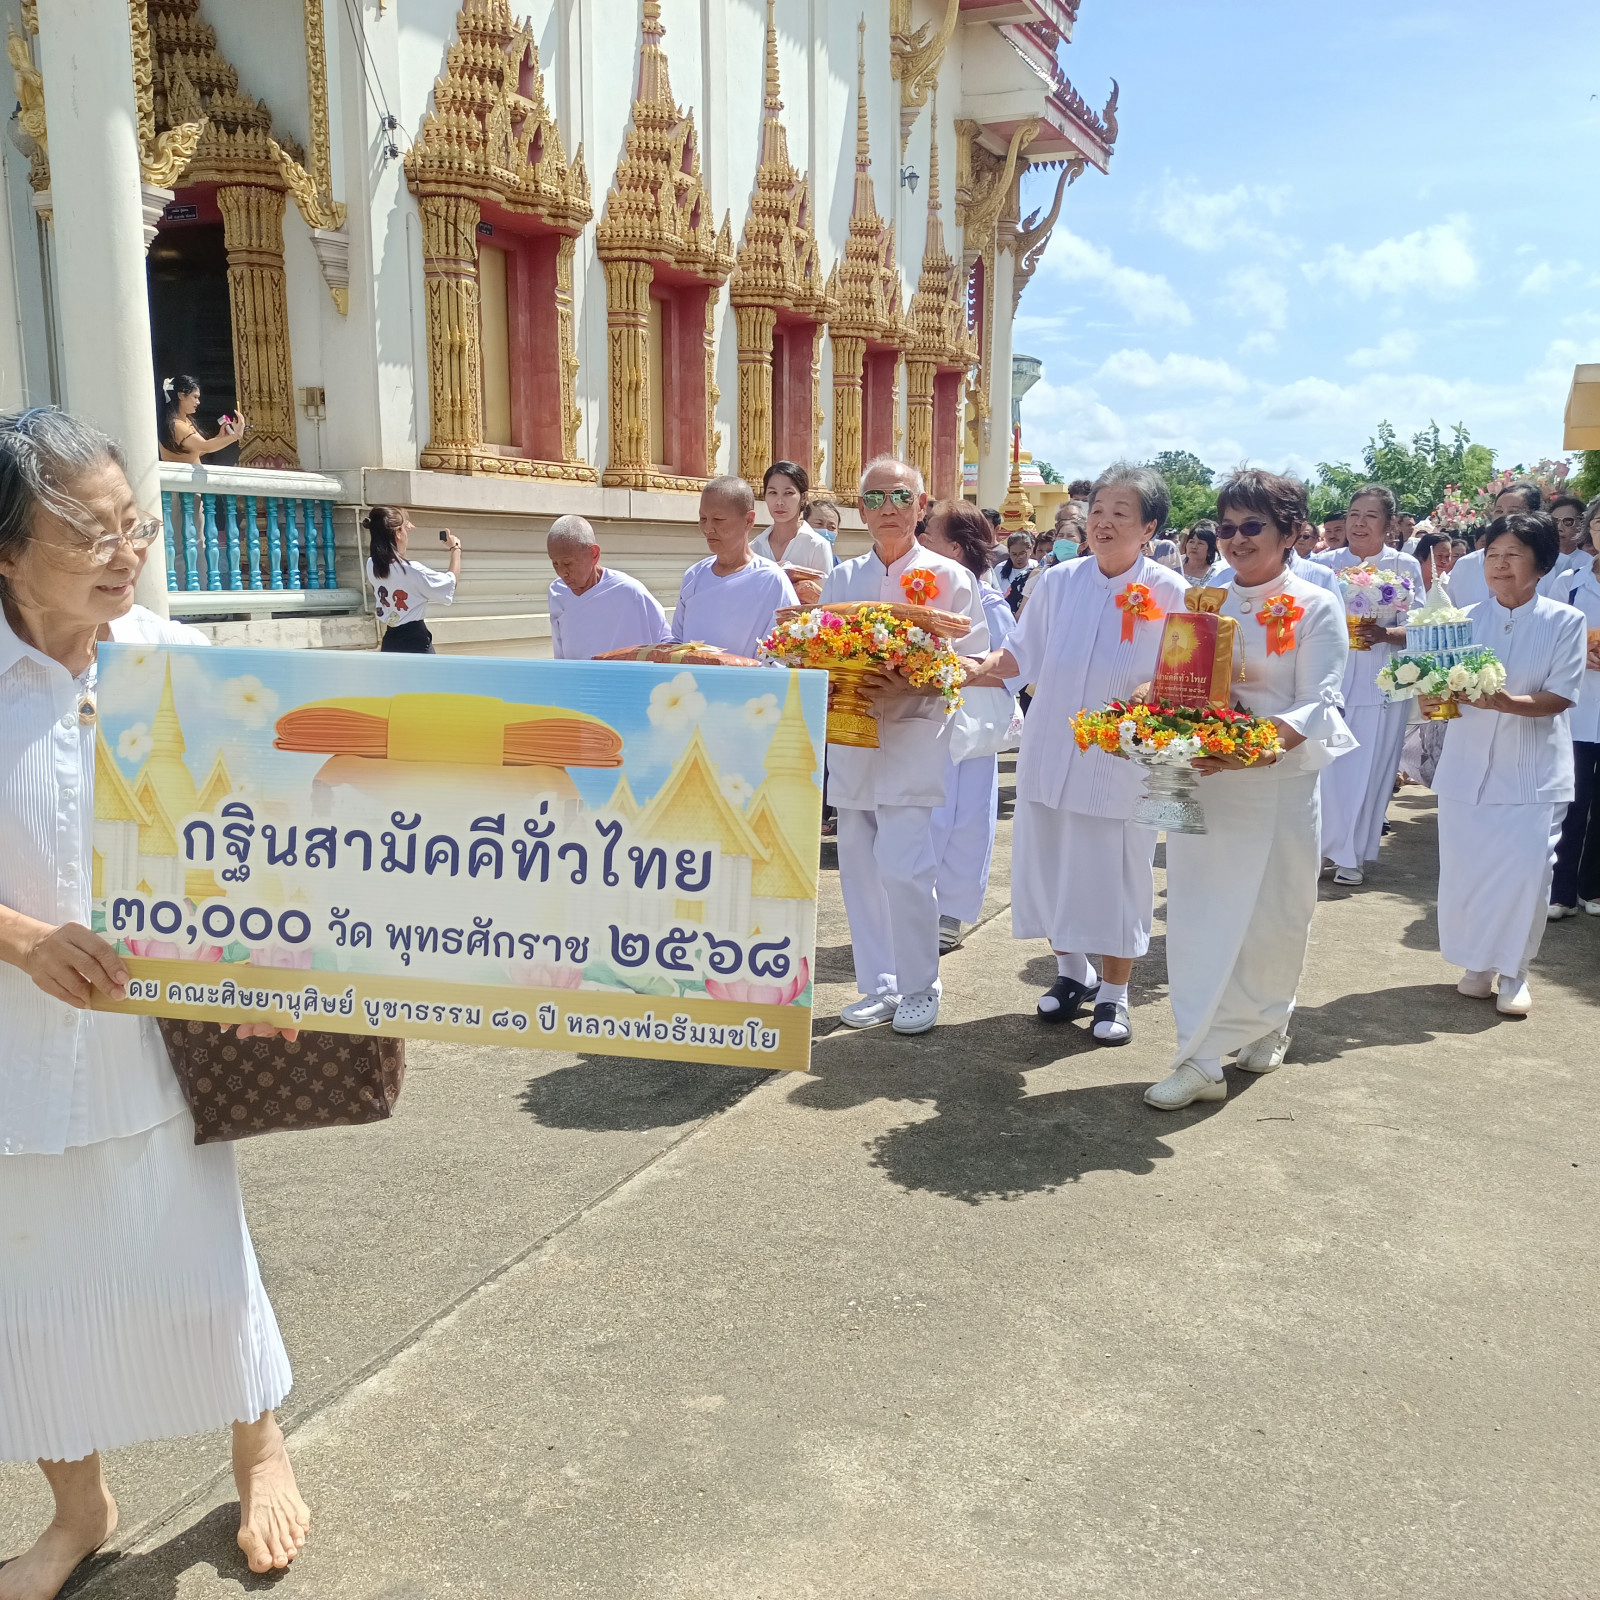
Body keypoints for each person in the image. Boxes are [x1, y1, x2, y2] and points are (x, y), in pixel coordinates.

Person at [0, 407, 308, 1591]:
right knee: (28, 1294)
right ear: (7, 555)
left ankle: (259, 1449)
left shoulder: (182, 669)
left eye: (136, 525)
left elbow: (277, 839)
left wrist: (277, 967)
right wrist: (25, 940)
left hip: (165, 1048)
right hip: (21, 1051)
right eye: (90, 532)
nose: (126, 552)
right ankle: (78, 1511)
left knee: (201, 1263)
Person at [1145, 470, 1355, 1109]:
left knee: (1275, 917)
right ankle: (1200, 1057)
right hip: (1198, 781)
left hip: (1276, 784)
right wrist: (1146, 713)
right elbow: (1175, 684)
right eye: (1227, 527)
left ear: (1291, 532)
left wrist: (1241, 750)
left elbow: (1319, 705)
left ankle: (1270, 1018)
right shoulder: (1203, 601)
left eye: (1252, 526)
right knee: (1197, 915)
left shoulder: (1317, 605)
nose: (1235, 540)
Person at [962, 465, 1187, 1043]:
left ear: (1149, 527)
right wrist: (957, 671)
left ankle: (1115, 993)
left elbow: (1186, 674)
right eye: (1098, 511)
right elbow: (1019, 655)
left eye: (1121, 513)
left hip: (1120, 762)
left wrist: (1151, 690)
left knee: (1116, 877)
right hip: (1051, 749)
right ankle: (1072, 974)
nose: (1104, 523)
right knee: (1051, 869)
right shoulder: (1059, 582)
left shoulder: (1170, 591)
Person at [821, 456, 987, 1036]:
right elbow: (820, 651)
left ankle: (920, 985)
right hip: (852, 733)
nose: (886, 509)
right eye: (873, 499)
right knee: (859, 867)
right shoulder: (840, 579)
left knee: (906, 867)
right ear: (858, 509)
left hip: (915, 731)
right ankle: (879, 985)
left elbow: (971, 661)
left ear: (921, 507)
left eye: (898, 498)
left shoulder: (950, 578)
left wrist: (915, 676)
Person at [1427, 512, 1586, 1014]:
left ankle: (1515, 970)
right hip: (1466, 770)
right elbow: (1436, 695)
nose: (1500, 565)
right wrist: (1433, 697)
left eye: (1513, 555)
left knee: (1525, 872)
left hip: (1531, 773)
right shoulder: (1461, 620)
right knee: (1468, 871)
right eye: (1493, 555)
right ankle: (1477, 964)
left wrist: (1504, 702)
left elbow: (1560, 696)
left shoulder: (1566, 621)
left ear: (1540, 564)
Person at [919, 501, 1018, 953]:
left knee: (967, 822)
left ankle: (952, 914)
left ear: (955, 550)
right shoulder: (921, 593)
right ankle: (919, 906)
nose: (921, 541)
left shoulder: (989, 602)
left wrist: (965, 669)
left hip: (971, 727)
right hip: (925, 724)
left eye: (931, 535)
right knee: (925, 818)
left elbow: (1018, 668)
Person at [1315, 484, 1425, 887]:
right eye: (1353, 514)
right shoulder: (1325, 564)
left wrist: (1385, 633)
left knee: (1370, 765)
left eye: (1371, 516)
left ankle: (1352, 853)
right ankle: (1319, 848)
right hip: (1336, 676)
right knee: (1328, 765)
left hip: (1383, 679)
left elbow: (1419, 623)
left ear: (1389, 524)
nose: (1359, 524)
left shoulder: (1404, 567)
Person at [671, 477, 798, 658]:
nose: (708, 528)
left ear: (748, 520)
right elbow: (676, 642)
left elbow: (785, 655)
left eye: (718, 519)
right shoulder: (694, 576)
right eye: (703, 519)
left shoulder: (771, 580)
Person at [1548, 518, 1599, 918]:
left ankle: (1592, 888)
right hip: (1578, 707)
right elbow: (1551, 635)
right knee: (1573, 800)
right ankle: (1561, 891)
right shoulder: (1570, 580)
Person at [546, 514, 669, 659]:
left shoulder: (631, 593)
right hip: (577, 680)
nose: (562, 573)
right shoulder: (557, 592)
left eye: (568, 564)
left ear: (594, 554)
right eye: (555, 564)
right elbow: (560, 655)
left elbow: (666, 646)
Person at [366, 506, 459, 654]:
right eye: (403, 530)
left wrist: (401, 524)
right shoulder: (412, 570)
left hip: (390, 641)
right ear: (397, 533)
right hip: (415, 643)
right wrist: (455, 549)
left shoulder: (372, 565)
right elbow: (449, 583)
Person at [752, 460, 836, 576]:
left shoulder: (816, 545)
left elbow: (823, 592)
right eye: (773, 492)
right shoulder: (755, 547)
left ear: (803, 497)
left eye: (788, 493)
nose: (779, 502)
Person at [157, 374, 244, 464]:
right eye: (195, 397)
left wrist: (219, 437)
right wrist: (235, 436)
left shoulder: (185, 421)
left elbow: (199, 450)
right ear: (181, 396)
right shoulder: (176, 425)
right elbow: (205, 446)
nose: (198, 402)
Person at [1180, 521, 1225, 587]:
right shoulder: (1176, 563)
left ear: (1210, 549)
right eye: (1191, 542)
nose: (1194, 546)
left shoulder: (1215, 572)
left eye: (1200, 543)